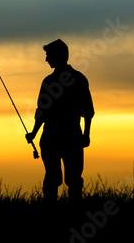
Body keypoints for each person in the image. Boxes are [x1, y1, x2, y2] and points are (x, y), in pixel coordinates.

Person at [25, 39, 94, 204]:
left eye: (48, 55)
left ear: (58, 56)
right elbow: (88, 111)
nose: (46, 59)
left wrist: (34, 133)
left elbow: (41, 112)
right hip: (72, 136)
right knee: (73, 178)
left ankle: (51, 212)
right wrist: (86, 134)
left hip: (52, 137)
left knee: (53, 178)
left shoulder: (48, 82)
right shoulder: (79, 78)